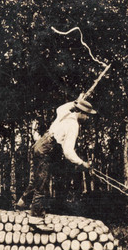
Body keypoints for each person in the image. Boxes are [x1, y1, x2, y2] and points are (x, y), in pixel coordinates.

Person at [16, 97, 95, 232]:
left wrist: (75, 102)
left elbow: (60, 108)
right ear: (81, 113)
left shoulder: (65, 113)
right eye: (87, 115)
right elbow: (68, 152)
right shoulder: (73, 125)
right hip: (47, 150)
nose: (87, 118)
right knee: (42, 183)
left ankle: (21, 203)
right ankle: (36, 220)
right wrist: (82, 163)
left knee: (37, 179)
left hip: (39, 145)